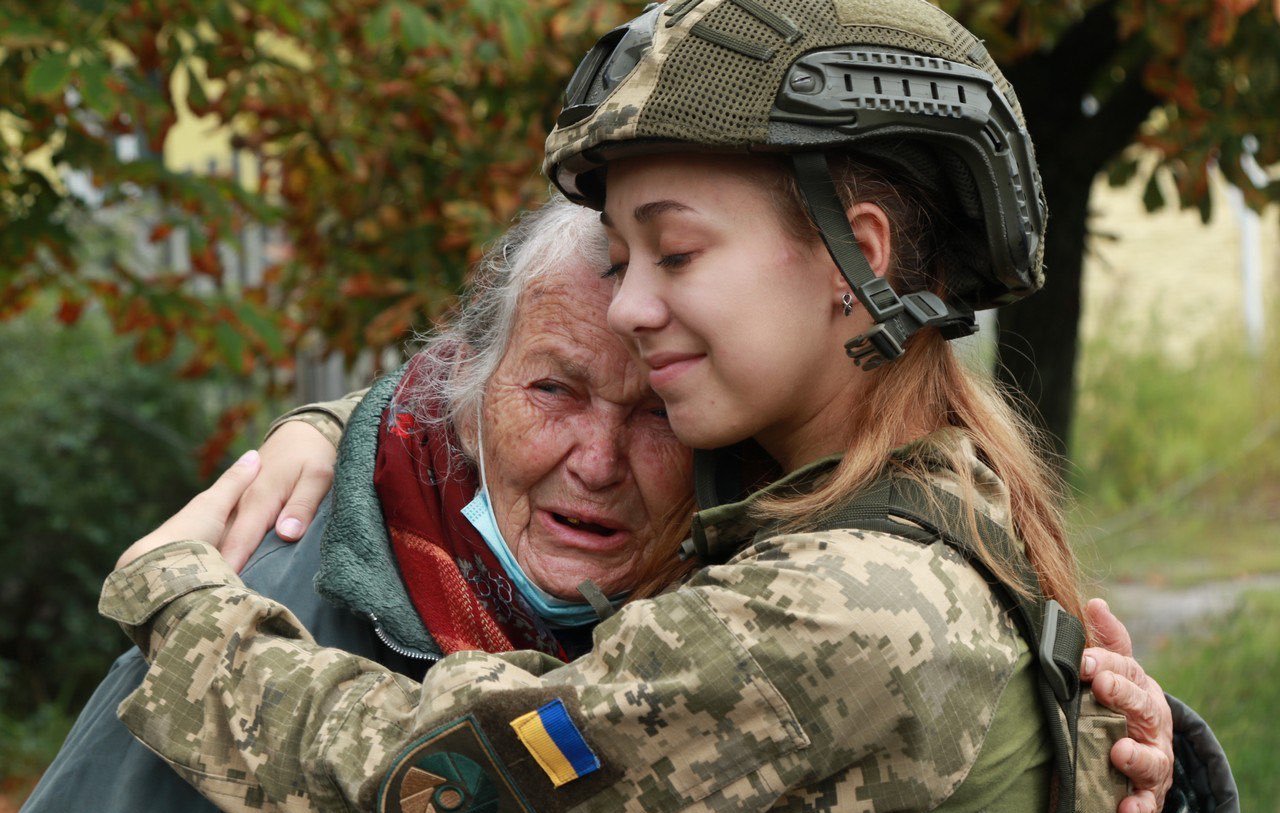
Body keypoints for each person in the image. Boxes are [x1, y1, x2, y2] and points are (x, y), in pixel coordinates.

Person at [92, 0, 1242, 810]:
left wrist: (178, 598)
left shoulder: (834, 605)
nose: (632, 307)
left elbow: (440, 779)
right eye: (622, 257)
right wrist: (333, 428)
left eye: (675, 254)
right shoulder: (938, 493)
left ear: (859, 262)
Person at [30, 195, 1176, 813]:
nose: (596, 458)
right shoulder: (286, 580)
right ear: (462, 400)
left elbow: (438, 780)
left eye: (657, 415)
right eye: (551, 391)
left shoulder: (789, 588)